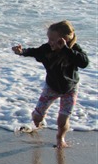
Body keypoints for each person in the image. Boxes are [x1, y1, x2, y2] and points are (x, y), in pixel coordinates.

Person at [12, 20, 89, 148]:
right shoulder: (47, 49)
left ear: (65, 39)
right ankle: (37, 119)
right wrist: (22, 52)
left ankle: (60, 138)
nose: (50, 42)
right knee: (37, 118)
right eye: (49, 39)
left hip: (70, 89)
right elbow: (34, 51)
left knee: (63, 119)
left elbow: (84, 63)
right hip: (51, 87)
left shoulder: (73, 50)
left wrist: (65, 49)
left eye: (53, 39)